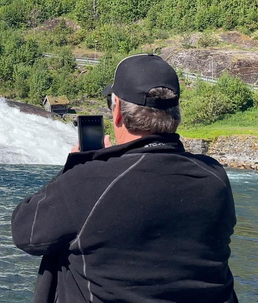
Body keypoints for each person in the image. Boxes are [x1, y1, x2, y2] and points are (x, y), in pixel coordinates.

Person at [12, 53, 237, 303]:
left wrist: (75, 167)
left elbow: (25, 232)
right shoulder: (215, 178)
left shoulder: (89, 180)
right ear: (175, 113)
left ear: (117, 110)